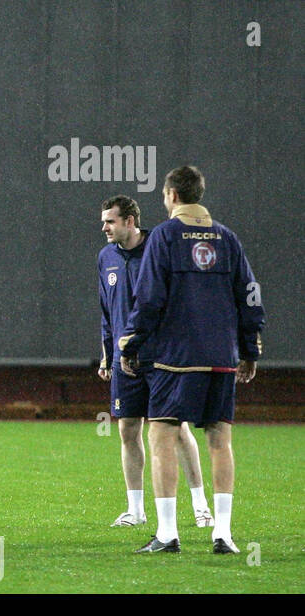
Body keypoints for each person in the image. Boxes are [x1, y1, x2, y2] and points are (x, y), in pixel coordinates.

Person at [120, 166, 265, 554]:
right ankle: (224, 533)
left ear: (170, 195)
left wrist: (132, 343)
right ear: (199, 194)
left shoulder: (165, 236)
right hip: (221, 356)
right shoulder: (227, 237)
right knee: (220, 438)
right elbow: (249, 294)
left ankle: (167, 534)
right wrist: (249, 348)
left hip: (176, 357)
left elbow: (149, 297)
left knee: (162, 433)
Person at [96, 195, 212, 528]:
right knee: (127, 430)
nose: (104, 227)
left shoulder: (157, 251)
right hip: (124, 361)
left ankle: (201, 505)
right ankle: (135, 510)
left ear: (130, 221)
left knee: (176, 430)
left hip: (161, 358)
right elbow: (107, 311)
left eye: (110, 221)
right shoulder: (106, 258)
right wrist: (108, 354)